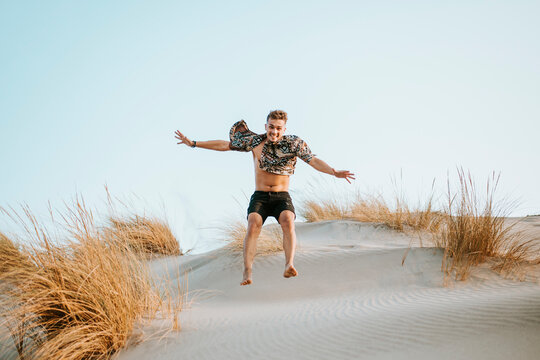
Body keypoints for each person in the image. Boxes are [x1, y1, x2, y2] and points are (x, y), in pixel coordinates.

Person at [175, 110, 355, 285]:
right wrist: (193, 143)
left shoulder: (294, 144)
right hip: (260, 196)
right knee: (253, 224)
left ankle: (289, 264)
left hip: (281, 196)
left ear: (284, 129)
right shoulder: (254, 142)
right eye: (271, 127)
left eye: (278, 128)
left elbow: (313, 160)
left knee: (287, 220)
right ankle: (247, 270)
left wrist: (334, 172)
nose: (274, 131)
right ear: (266, 126)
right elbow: (224, 145)